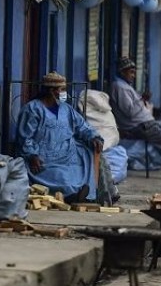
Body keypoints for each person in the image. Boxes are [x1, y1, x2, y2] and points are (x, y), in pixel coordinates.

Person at [17, 71, 103, 202]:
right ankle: (72, 194)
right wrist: (32, 155)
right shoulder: (32, 109)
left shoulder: (66, 109)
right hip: (44, 156)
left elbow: (82, 126)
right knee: (62, 177)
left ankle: (85, 192)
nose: (64, 93)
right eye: (62, 90)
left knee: (86, 159)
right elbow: (25, 137)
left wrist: (93, 136)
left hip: (69, 153)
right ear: (51, 91)